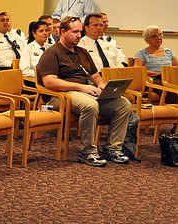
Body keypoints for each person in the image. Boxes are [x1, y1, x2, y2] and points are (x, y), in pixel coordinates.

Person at [36, 17, 132, 167]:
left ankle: (113, 148)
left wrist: (101, 85)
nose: (78, 35)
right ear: (62, 32)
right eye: (74, 32)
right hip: (61, 96)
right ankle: (87, 151)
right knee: (90, 105)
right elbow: (49, 82)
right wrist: (81, 87)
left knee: (123, 104)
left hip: (87, 92)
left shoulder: (82, 52)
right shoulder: (52, 53)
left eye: (80, 32)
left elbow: (95, 75)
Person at [133, 24, 178, 132]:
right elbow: (137, 70)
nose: (158, 38)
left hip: (169, 79)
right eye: (154, 36)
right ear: (147, 40)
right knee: (177, 92)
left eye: (160, 35)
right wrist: (156, 73)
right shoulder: (142, 53)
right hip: (154, 80)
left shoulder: (168, 52)